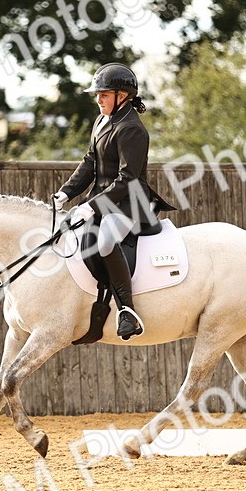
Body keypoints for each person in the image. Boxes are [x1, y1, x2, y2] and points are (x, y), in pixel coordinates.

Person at [51, 63, 177, 341]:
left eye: (104, 95)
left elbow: (128, 178)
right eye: (97, 95)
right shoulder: (102, 121)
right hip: (103, 198)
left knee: (106, 239)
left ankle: (127, 311)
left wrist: (91, 207)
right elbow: (90, 162)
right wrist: (67, 192)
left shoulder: (133, 129)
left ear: (123, 96)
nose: (98, 100)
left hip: (130, 202)